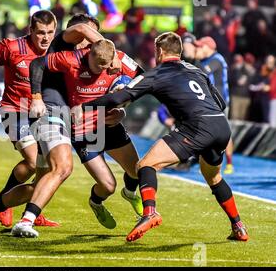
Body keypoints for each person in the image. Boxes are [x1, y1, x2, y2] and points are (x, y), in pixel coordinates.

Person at [78, 32, 249, 243]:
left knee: (146, 166)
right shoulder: (196, 70)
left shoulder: (156, 74)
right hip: (221, 126)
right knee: (214, 177)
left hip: (197, 127)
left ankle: (149, 213)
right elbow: (221, 103)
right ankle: (238, 226)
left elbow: (120, 97)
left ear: (159, 51)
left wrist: (84, 107)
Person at [14, 39, 143, 237]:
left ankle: (131, 194)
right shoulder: (71, 59)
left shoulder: (118, 60)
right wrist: (37, 97)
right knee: (108, 186)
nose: (102, 69)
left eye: (106, 65)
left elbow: (143, 78)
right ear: (89, 54)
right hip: (84, 132)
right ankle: (96, 202)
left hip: (110, 125)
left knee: (137, 171)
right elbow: (38, 63)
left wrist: (123, 108)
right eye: (98, 64)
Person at [0, 10, 59, 229]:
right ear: (30, 30)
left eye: (50, 32)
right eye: (40, 32)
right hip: (14, 111)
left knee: (46, 169)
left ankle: (33, 211)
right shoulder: (12, 48)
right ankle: (2, 204)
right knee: (34, 162)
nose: (45, 38)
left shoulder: (57, 50)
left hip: (43, 114)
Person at [195, 36, 234, 174]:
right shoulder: (206, 60)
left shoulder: (217, 59)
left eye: (201, 46)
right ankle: (208, 162)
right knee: (208, 132)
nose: (199, 49)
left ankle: (229, 163)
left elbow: (203, 71)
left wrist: (194, 59)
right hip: (210, 102)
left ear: (209, 47)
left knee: (224, 133)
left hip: (221, 102)